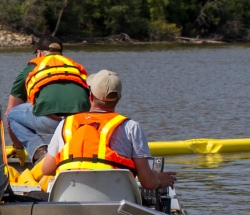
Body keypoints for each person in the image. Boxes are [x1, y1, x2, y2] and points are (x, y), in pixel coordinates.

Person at [38, 70, 176, 190]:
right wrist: (158, 180)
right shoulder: (131, 127)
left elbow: (47, 169)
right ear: (119, 98)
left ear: (90, 96)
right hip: (115, 203)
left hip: (70, 200)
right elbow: (148, 182)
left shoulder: (66, 123)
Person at [7, 36, 90, 164]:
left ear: (39, 53)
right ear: (61, 54)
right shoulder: (75, 66)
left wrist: (18, 147)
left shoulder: (31, 68)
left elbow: (10, 110)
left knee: (13, 115)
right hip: (80, 123)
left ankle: (39, 152)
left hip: (51, 121)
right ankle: (74, 151)